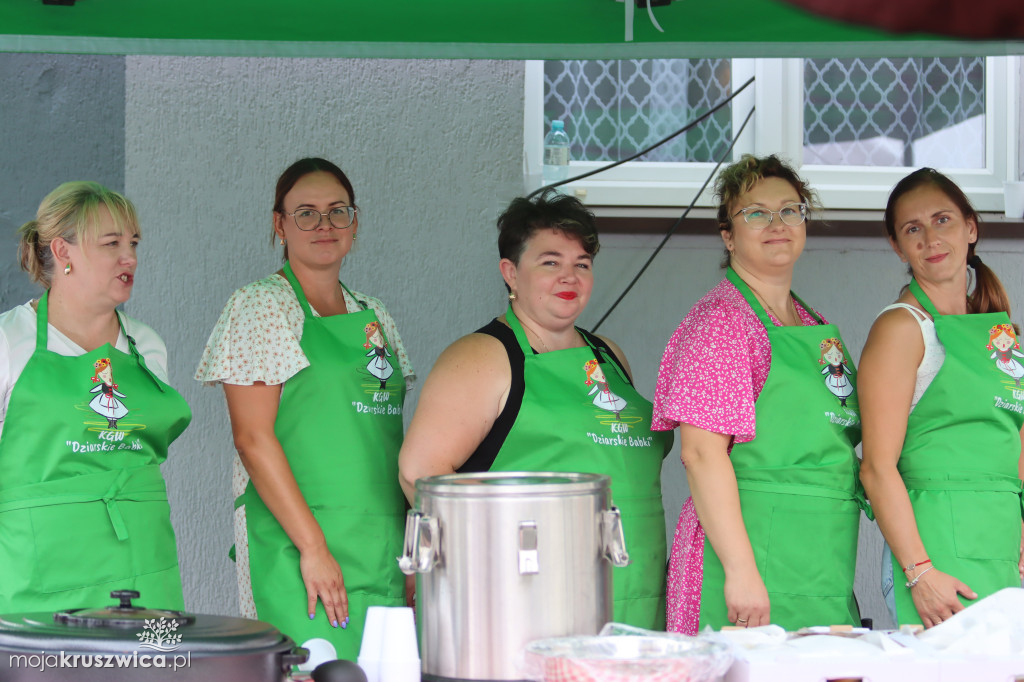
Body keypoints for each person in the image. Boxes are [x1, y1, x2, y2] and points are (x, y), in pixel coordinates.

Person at [398, 190, 672, 629]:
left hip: (635, 587)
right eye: (550, 262)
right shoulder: (484, 356)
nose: (570, 276)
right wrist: (503, 555)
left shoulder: (609, 355)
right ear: (510, 272)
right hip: (528, 595)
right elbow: (419, 473)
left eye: (582, 264)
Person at [195, 158, 414, 660]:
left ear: (355, 224)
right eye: (306, 213)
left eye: (338, 212)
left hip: (380, 546)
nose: (324, 226)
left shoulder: (375, 315)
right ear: (280, 225)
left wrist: (410, 557)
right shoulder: (260, 306)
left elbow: (391, 442)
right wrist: (314, 550)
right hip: (298, 547)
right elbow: (253, 438)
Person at [653, 155, 863, 633]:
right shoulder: (723, 321)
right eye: (756, 213)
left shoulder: (811, 324)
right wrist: (742, 573)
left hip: (813, 554)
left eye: (790, 210)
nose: (777, 224)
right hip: (744, 559)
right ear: (728, 235)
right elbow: (702, 454)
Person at [0, 182, 191, 613]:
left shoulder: (147, 346)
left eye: (134, 243)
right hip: (38, 578)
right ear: (62, 251)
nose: (130, 258)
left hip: (144, 566)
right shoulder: (8, 342)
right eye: (112, 243)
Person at [858, 168, 1024, 628]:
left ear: (970, 228)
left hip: (1002, 549)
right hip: (938, 557)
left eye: (943, 220)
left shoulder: (1000, 334)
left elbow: (1017, 439)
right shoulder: (900, 329)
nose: (931, 238)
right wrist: (920, 571)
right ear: (897, 246)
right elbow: (876, 467)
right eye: (913, 228)